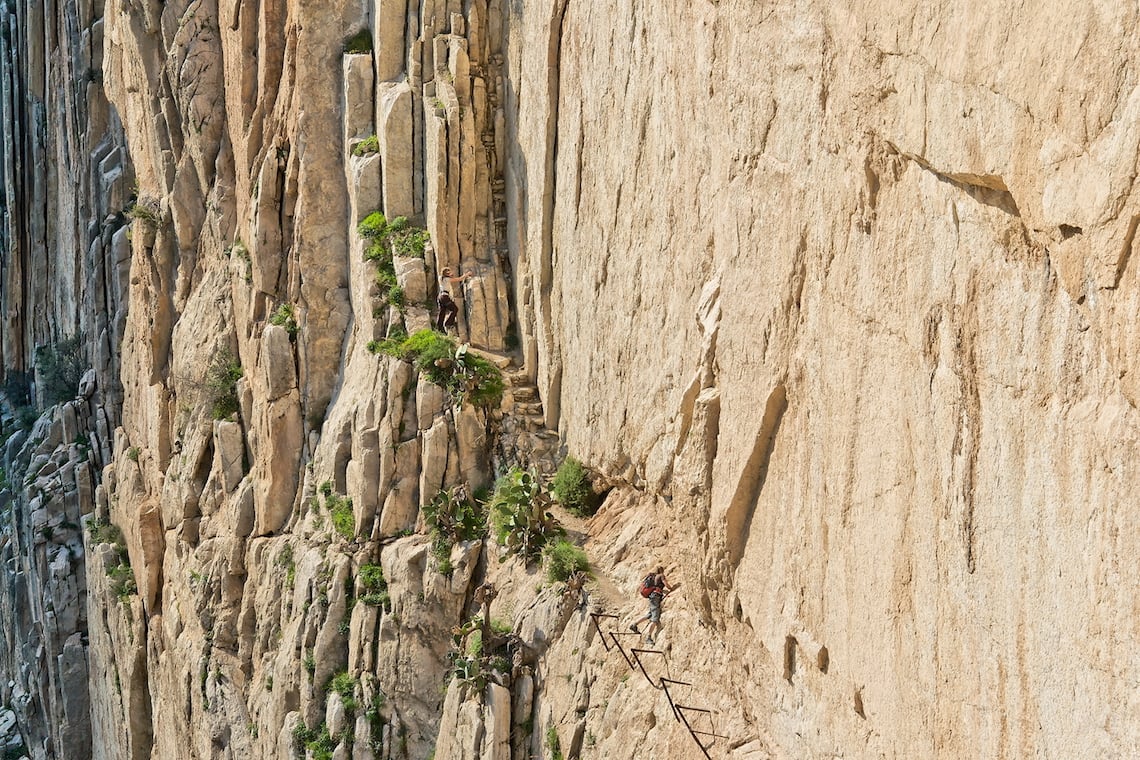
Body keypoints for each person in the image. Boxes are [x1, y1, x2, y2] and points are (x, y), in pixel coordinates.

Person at [629, 566, 677, 645]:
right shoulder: (661, 576)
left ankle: (635, 624)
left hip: (652, 597)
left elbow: (656, 587)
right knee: (655, 619)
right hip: (656, 597)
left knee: (650, 614)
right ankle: (649, 637)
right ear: (662, 570)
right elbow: (666, 585)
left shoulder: (653, 577)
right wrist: (672, 588)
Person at [436, 267, 473, 332]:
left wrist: (450, 275)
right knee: (455, 309)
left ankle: (439, 327)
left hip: (440, 297)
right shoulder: (447, 279)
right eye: (449, 272)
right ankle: (448, 323)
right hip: (445, 297)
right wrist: (467, 274)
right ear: (447, 273)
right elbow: (459, 279)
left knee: (442, 312)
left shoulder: (440, 278)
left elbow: (450, 277)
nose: (451, 272)